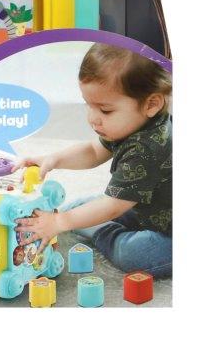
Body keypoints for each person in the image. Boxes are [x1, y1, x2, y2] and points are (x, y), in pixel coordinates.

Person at [13, 43, 171, 278]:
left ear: (151, 104)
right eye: (89, 105)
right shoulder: (133, 123)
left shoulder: (148, 147)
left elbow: (114, 205)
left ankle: (104, 232)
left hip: (170, 232)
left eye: (105, 110)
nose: (93, 119)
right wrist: (53, 159)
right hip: (146, 208)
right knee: (74, 209)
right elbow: (94, 152)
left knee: (133, 254)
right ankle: (91, 221)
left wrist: (60, 222)